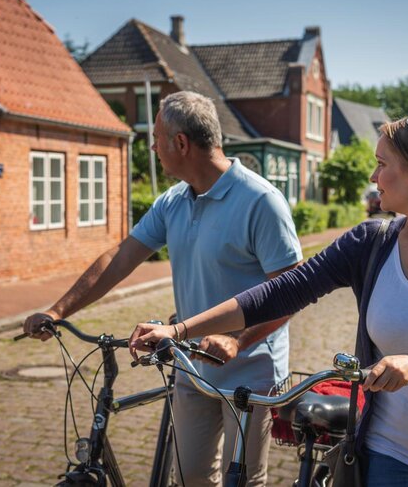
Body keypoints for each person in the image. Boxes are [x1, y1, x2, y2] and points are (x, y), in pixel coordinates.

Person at [130, 111, 408, 487]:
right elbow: (282, 291)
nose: (374, 176)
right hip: (390, 458)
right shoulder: (371, 243)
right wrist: (179, 328)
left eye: (382, 164)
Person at [23, 91, 303, 486]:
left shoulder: (260, 201)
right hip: (191, 365)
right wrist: (58, 311)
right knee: (189, 478)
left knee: (242, 480)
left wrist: (238, 340)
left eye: (156, 138)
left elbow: (291, 291)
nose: (152, 147)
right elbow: (119, 258)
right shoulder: (173, 201)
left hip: (250, 371)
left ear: (181, 143)